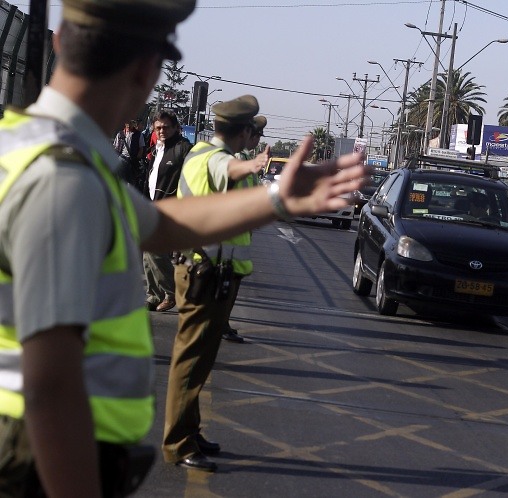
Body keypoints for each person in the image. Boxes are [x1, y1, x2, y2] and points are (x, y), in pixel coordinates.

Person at [0, 1, 367, 496]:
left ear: (61, 41)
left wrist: (277, 198)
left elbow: (159, 222)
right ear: (148, 71)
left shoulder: (31, 143)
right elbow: (52, 389)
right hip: (42, 463)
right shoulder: (65, 180)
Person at [162, 96, 271, 472]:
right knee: (190, 362)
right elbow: (226, 168)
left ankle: (190, 431)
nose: (256, 137)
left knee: (202, 361)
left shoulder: (228, 160)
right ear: (242, 131)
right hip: (201, 273)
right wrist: (254, 165)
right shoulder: (208, 157)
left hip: (218, 273)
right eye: (254, 131)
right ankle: (177, 444)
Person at [222, 114, 269, 343]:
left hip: (241, 237)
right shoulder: (238, 162)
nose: (257, 140)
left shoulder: (246, 161)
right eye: (256, 135)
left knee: (232, 284)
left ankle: (223, 321)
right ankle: (220, 323)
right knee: (226, 284)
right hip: (230, 236)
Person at [142, 110, 192, 312]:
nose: (162, 131)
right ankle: (153, 295)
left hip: (171, 209)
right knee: (147, 253)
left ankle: (172, 292)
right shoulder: (157, 149)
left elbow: (191, 179)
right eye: (158, 127)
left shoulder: (184, 149)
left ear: (176, 128)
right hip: (152, 206)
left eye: (166, 127)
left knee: (154, 250)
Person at [113, 119, 145, 190]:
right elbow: (116, 148)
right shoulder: (120, 134)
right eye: (127, 123)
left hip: (132, 161)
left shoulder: (139, 135)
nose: (128, 125)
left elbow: (141, 148)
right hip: (122, 159)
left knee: (131, 182)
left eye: (130, 123)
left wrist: (137, 159)